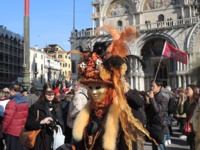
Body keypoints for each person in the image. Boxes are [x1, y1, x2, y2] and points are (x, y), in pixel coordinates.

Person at [57, 26, 156, 150]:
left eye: (98, 87)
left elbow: (139, 104)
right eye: (90, 87)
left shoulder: (122, 111)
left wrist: (125, 90)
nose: (94, 92)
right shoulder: (90, 112)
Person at [24, 83, 64, 150]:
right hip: (39, 141)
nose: (50, 95)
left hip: (54, 141)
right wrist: (41, 122)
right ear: (43, 93)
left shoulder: (58, 106)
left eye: (52, 93)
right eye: (47, 93)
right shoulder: (36, 107)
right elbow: (28, 125)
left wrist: (56, 127)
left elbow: (62, 122)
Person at [2, 84, 29, 150]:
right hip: (21, 131)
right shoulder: (25, 101)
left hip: (11, 131)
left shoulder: (12, 102)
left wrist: (3, 129)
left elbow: (7, 119)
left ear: (12, 91)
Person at [146, 80, 169, 150]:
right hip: (152, 126)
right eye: (151, 86)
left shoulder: (163, 99)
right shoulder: (152, 97)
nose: (151, 87)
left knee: (160, 147)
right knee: (154, 147)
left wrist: (152, 99)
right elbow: (148, 113)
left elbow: (158, 111)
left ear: (159, 87)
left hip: (160, 127)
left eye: (153, 86)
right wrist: (147, 103)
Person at [178, 84, 199, 150]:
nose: (186, 91)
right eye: (186, 89)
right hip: (189, 126)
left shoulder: (197, 102)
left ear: (193, 90)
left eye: (188, 89)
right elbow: (181, 112)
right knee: (191, 144)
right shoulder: (187, 102)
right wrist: (182, 102)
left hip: (197, 126)